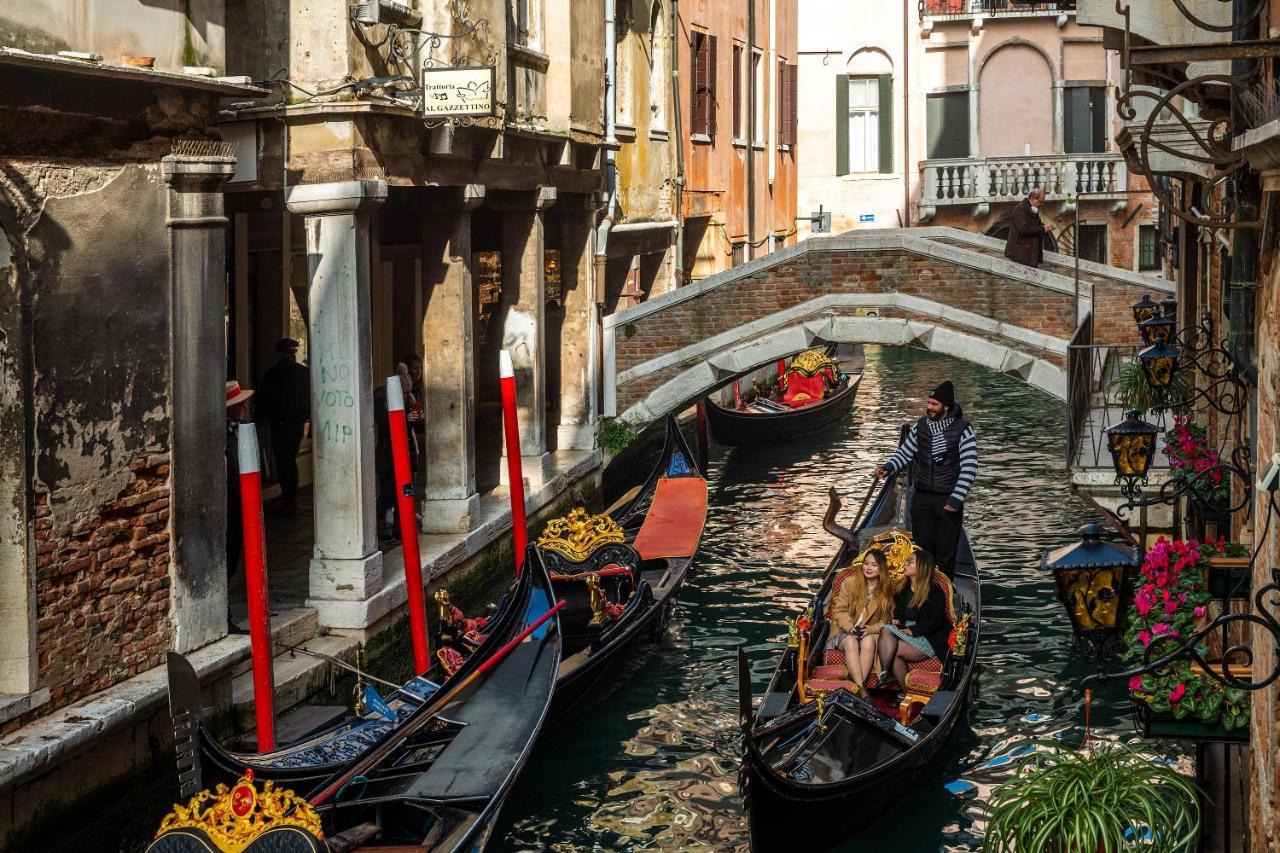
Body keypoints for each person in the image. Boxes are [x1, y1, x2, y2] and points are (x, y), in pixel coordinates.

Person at [874, 380, 977, 575]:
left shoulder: (963, 429)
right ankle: (922, 589)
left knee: (946, 550)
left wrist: (956, 498)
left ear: (946, 406)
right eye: (929, 403)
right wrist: (888, 467)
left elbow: (970, 467)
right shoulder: (921, 426)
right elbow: (905, 453)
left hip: (948, 498)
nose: (929, 407)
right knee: (922, 548)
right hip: (922, 496)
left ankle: (944, 591)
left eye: (934, 404)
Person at [877, 549, 951, 691]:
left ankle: (885, 674)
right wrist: (896, 620)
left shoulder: (934, 591)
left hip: (930, 637)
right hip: (908, 631)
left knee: (889, 639)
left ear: (921, 567)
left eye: (910, 561)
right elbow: (899, 614)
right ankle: (905, 692)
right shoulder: (902, 588)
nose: (905, 564)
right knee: (888, 635)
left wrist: (913, 630)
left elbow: (937, 621)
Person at [827, 547, 896, 686]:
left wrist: (869, 629)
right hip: (844, 631)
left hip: (868, 633)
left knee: (869, 641)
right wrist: (850, 627)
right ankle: (861, 689)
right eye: (866, 563)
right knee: (851, 641)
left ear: (881, 568)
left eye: (874, 565)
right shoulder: (850, 582)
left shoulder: (887, 590)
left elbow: (886, 621)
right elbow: (840, 611)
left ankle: (857, 690)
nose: (869, 568)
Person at [257, 337, 310, 515]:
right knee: (283, 461)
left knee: (287, 460)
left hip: (293, 424)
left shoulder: (301, 374)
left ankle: (290, 500)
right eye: (289, 352)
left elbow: (308, 399)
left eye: (293, 352)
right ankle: (289, 499)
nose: (291, 355)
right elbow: (265, 399)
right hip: (279, 424)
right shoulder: (274, 375)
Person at [225, 379, 254, 634]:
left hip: (239, 506)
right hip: (228, 506)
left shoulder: (241, 431)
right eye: (238, 404)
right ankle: (225, 616)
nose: (243, 406)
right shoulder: (223, 437)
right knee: (228, 561)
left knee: (233, 559)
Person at [1004, 187, 1047, 268]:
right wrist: (1043, 229)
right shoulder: (1020, 210)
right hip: (1021, 254)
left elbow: (1033, 226)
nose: (1041, 204)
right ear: (1032, 198)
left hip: (1028, 254)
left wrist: (1044, 227)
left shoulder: (1030, 209)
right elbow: (1024, 229)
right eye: (1041, 201)